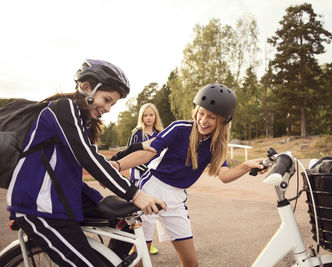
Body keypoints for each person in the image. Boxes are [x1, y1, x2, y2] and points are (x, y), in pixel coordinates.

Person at [6, 59, 166, 267]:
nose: (108, 108)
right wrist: (136, 194)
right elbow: (88, 158)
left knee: (127, 219)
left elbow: (96, 158)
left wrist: (136, 149)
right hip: (39, 205)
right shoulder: (63, 108)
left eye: (112, 104)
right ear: (86, 87)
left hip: (63, 199)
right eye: (107, 100)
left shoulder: (82, 121)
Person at [112, 83, 268, 267]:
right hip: (151, 189)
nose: (203, 120)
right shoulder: (179, 128)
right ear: (196, 111)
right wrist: (116, 165)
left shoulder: (216, 145)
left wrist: (246, 165)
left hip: (177, 197)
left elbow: (224, 176)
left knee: (191, 263)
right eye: (201, 113)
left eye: (211, 117)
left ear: (223, 121)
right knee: (140, 258)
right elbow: (149, 152)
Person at [127, 103, 163, 255]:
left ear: (155, 116)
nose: (148, 118)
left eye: (151, 115)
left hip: (154, 176)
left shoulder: (160, 132)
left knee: (150, 210)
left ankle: (148, 242)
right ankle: (134, 245)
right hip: (139, 174)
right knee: (139, 211)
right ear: (141, 117)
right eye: (145, 115)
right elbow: (129, 152)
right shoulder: (137, 132)